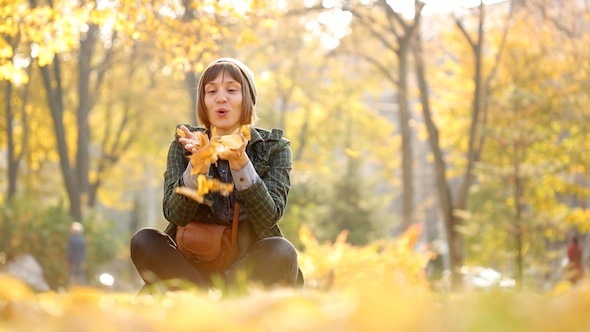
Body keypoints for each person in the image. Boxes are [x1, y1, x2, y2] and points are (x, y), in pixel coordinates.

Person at [130, 58, 303, 291]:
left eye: (231, 90)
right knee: (144, 241)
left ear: (247, 99)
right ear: (203, 101)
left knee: (282, 250)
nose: (221, 97)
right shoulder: (184, 144)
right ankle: (204, 298)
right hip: (191, 267)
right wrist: (197, 167)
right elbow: (175, 214)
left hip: (246, 268)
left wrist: (241, 164)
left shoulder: (275, 147)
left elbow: (269, 216)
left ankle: (216, 301)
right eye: (211, 91)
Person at [67, 221, 86, 286]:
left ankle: (72, 286)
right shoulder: (82, 240)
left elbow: (70, 251)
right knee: (81, 273)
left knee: (72, 273)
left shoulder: (71, 239)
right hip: (80, 259)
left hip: (73, 259)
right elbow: (83, 251)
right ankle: (83, 286)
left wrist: (68, 259)